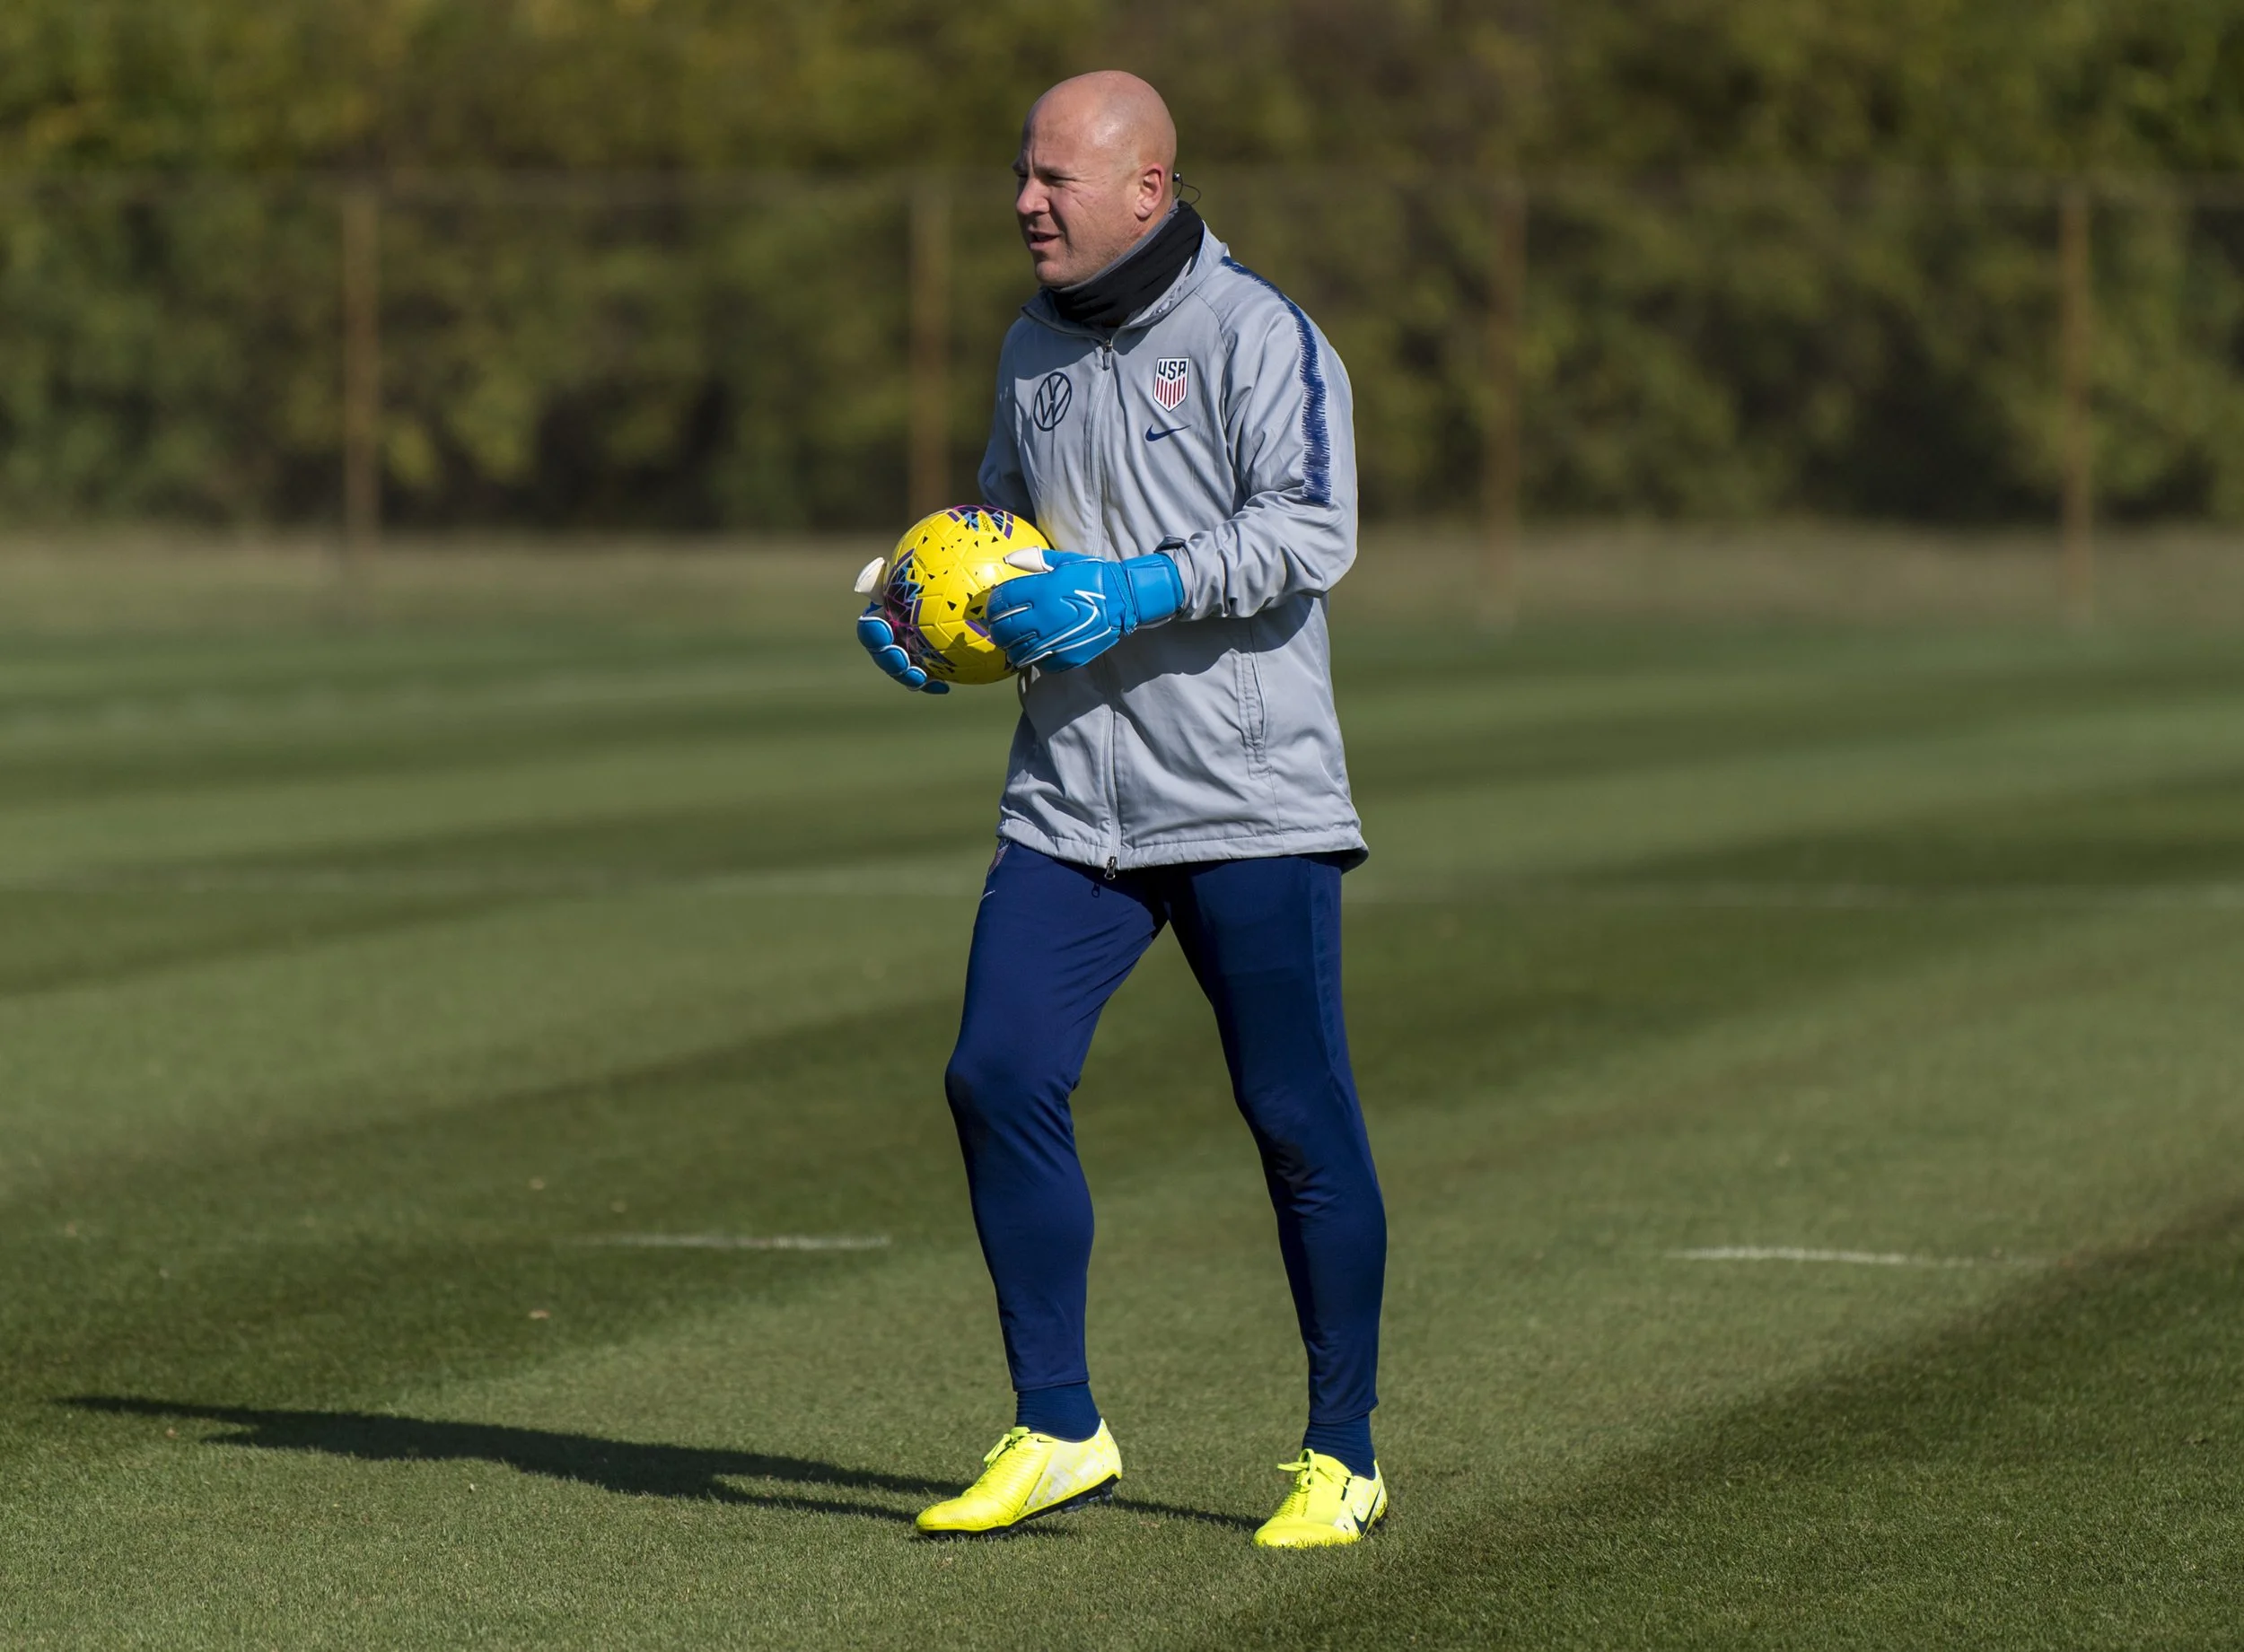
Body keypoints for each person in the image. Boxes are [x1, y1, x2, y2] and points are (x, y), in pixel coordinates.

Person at [855, 70, 1386, 1549]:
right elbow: (999, 531)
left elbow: (1313, 526)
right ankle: (1057, 1425)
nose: (1024, 202)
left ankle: (1340, 1454)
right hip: (1072, 804)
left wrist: (1142, 587)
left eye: (1053, 181)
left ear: (1145, 190)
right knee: (993, 1072)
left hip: (1249, 799)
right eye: (1022, 177)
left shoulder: (1258, 332)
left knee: (1294, 1115)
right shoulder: (1031, 344)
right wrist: (931, 619)